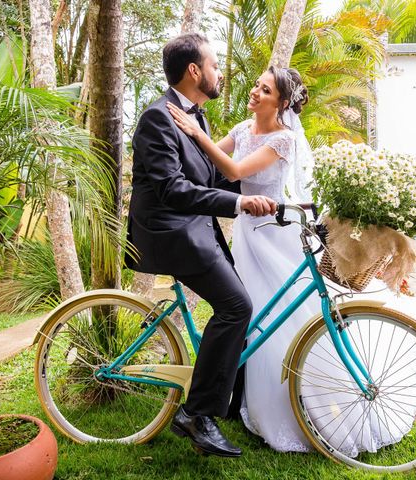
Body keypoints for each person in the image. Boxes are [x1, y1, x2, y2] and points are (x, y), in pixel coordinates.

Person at [167, 66, 416, 453]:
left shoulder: (282, 139)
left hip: (275, 233)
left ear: (281, 102)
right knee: (254, 312)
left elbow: (234, 170)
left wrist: (197, 132)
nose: (255, 92)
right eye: (256, 85)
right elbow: (214, 161)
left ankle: (285, 394)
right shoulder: (244, 129)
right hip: (250, 234)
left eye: (264, 90)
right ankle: (232, 395)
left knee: (288, 311)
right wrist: (187, 141)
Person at [126, 33, 277, 458]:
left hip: (196, 228)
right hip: (170, 231)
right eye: (214, 65)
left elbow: (208, 179)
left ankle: (222, 401)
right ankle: (198, 414)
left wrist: (264, 177)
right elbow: (173, 189)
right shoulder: (157, 117)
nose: (219, 72)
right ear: (195, 71)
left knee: (237, 305)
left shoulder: (196, 116)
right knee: (236, 307)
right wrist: (239, 201)